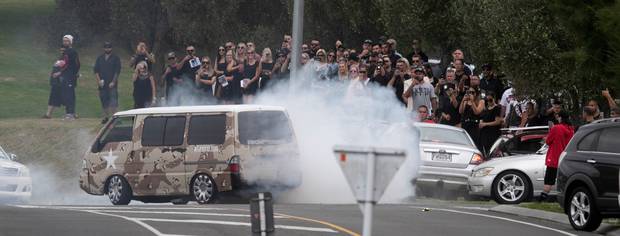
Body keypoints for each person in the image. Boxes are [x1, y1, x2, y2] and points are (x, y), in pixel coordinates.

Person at [540, 111, 574, 202]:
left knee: (549, 180)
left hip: (554, 158)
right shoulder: (571, 129)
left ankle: (542, 198)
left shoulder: (556, 128)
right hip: (565, 159)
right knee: (563, 180)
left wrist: (546, 138)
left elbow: (548, 141)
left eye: (557, 117)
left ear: (560, 117)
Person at [93, 42, 121, 124]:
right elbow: (96, 70)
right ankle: (106, 117)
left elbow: (117, 71)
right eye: (105, 47)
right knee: (104, 101)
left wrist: (113, 82)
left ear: (111, 48)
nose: (107, 49)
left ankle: (115, 118)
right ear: (103, 48)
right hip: (102, 84)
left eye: (109, 48)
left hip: (112, 84)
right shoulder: (100, 58)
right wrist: (99, 81)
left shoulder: (116, 58)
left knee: (113, 102)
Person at [55, 35, 80, 120]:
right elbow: (64, 63)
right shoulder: (65, 52)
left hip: (70, 76)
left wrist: (74, 74)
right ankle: (69, 113)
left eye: (67, 41)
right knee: (66, 94)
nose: (65, 42)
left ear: (70, 42)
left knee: (70, 95)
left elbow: (77, 64)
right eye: (64, 41)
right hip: (65, 76)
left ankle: (70, 114)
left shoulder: (72, 51)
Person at [43, 47, 66, 119]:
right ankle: (48, 114)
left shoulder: (67, 58)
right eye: (61, 50)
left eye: (63, 50)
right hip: (55, 82)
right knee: (53, 97)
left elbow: (69, 69)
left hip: (61, 81)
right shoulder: (60, 58)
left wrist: (59, 73)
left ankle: (71, 113)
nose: (61, 51)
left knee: (65, 98)